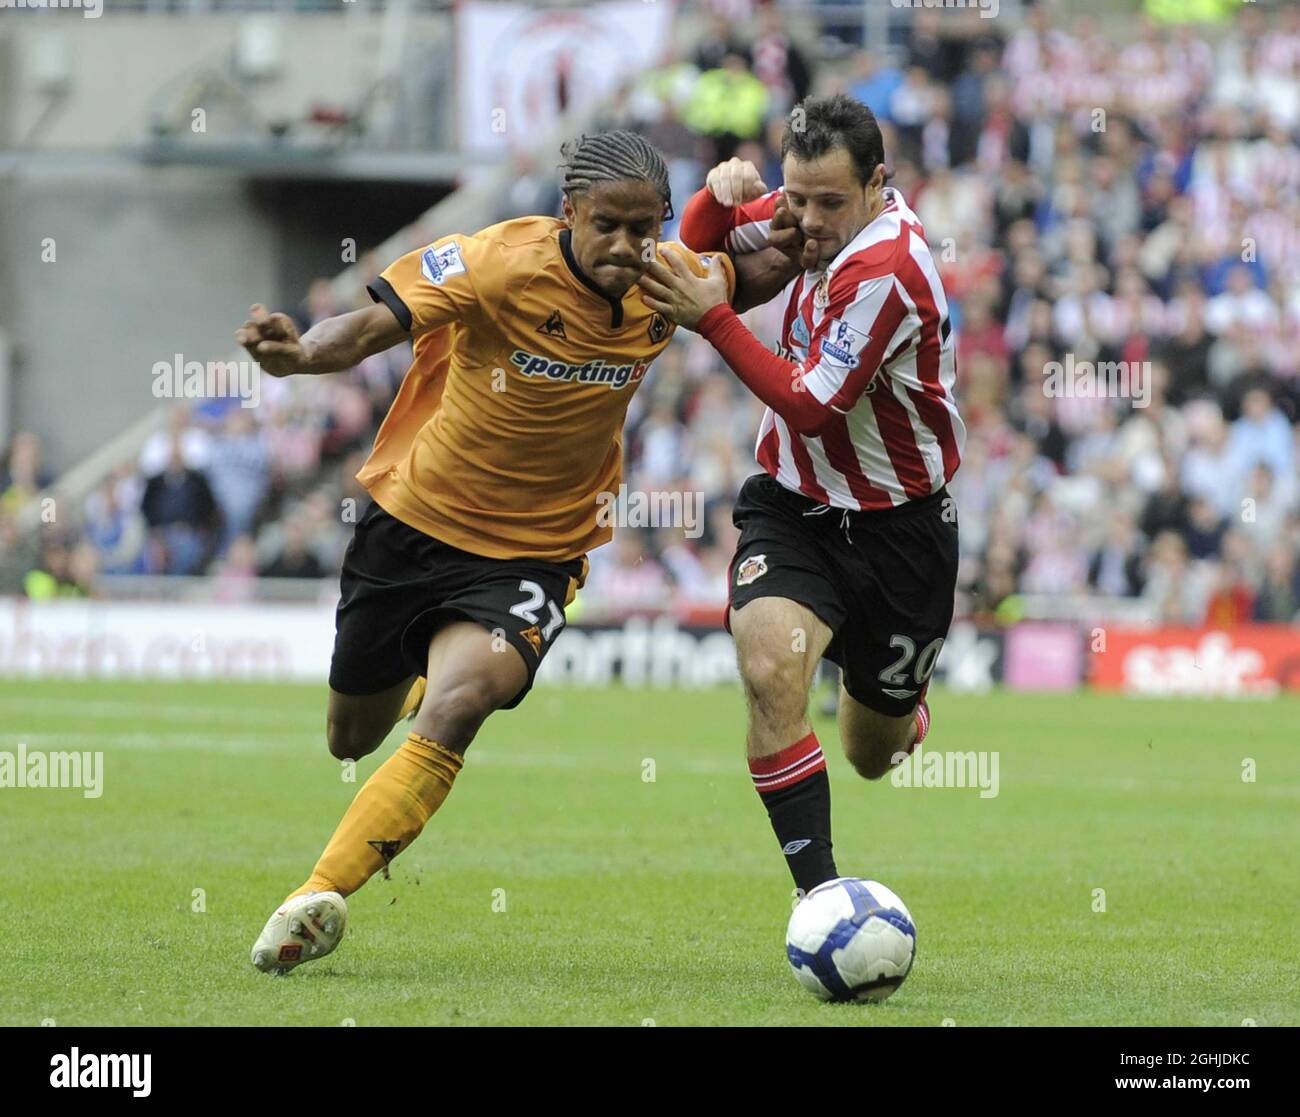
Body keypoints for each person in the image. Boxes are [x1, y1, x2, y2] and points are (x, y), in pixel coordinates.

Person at [235, 131, 740, 974]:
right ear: (567, 211)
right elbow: (368, 327)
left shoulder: (670, 282)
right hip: (414, 521)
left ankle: (317, 895)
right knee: (349, 738)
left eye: (643, 228)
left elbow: (752, 269)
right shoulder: (496, 263)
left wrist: (759, 206)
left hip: (536, 552)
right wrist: (299, 355)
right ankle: (424, 671)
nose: (625, 247)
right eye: (607, 225)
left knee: (464, 704)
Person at [639, 95, 965, 898]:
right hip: (792, 504)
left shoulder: (889, 265)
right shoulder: (799, 210)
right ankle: (820, 897)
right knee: (769, 665)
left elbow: (815, 403)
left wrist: (715, 320)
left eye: (829, 203)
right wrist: (719, 199)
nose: (808, 221)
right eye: (796, 198)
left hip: (901, 528)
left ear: (878, 185)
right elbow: (697, 247)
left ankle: (901, 709)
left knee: (872, 754)